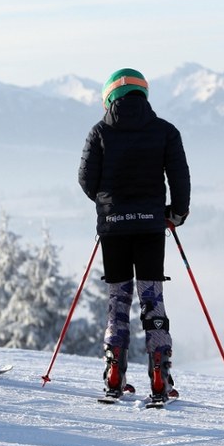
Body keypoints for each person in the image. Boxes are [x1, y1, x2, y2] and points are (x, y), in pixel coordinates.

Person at [77, 68, 190, 402]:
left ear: (109, 95)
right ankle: (159, 376)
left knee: (118, 301)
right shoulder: (165, 131)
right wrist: (176, 213)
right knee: (152, 301)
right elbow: (179, 177)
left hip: (113, 229)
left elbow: (86, 179)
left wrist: (107, 204)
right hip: (151, 226)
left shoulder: (99, 131)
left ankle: (115, 374)